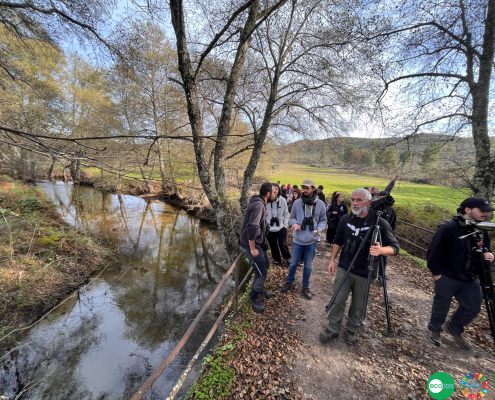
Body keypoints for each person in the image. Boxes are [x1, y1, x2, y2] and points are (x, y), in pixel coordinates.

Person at [320, 189, 399, 345]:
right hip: (344, 267)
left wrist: (381, 250)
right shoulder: (345, 219)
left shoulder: (379, 223)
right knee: (338, 299)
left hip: (365, 272)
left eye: (359, 200)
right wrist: (332, 260)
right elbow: (338, 240)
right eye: (353, 200)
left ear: (369, 202)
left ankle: (352, 330)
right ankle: (332, 328)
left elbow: (394, 247)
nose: (354, 203)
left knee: (358, 304)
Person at [426, 197, 495, 350]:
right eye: (482, 210)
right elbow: (433, 251)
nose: (486, 214)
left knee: (473, 307)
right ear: (467, 210)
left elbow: (485, 248)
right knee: (441, 305)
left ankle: (455, 328)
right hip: (447, 275)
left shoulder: (482, 229)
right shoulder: (449, 227)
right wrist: (437, 273)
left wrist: (489, 255)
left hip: (471, 277)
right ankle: (434, 329)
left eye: (487, 211)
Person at [281, 179, 327, 300]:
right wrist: (295, 224)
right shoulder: (297, 203)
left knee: (307, 266)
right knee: (293, 264)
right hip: (298, 240)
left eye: (308, 188)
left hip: (312, 240)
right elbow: (292, 217)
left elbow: (323, 220)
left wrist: (320, 229)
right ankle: (289, 282)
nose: (305, 190)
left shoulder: (320, 204)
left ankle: (305, 287)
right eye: (303, 188)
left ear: (313, 189)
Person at [240, 182, 277, 313]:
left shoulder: (260, 203)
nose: (276, 194)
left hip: (259, 242)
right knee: (262, 271)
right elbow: (252, 227)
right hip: (251, 244)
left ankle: (260, 289)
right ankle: (254, 297)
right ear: (268, 194)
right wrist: (253, 248)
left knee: (265, 265)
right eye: (274, 192)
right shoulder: (258, 205)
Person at [266, 184, 291, 267]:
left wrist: (285, 225)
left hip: (281, 227)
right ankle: (277, 260)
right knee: (273, 245)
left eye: (277, 189)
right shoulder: (266, 201)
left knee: (282, 243)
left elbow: (286, 213)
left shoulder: (283, 200)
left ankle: (287, 257)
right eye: (273, 189)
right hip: (270, 227)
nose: (275, 191)